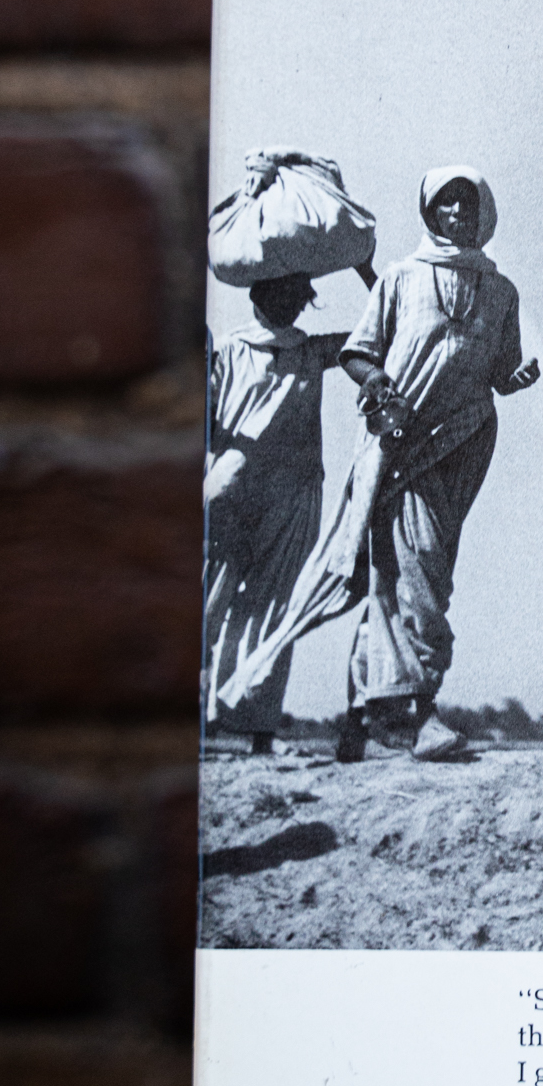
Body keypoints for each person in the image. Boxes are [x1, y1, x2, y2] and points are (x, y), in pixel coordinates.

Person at [331, 167, 539, 762]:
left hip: (466, 439)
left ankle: (360, 718)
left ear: (483, 213)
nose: (457, 214)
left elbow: (500, 370)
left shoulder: (502, 291)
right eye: (446, 204)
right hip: (404, 439)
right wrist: (379, 384)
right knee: (416, 569)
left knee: (414, 570)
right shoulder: (400, 277)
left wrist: (517, 379)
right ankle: (420, 713)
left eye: (466, 204)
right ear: (430, 213)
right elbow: (357, 354)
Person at [202, 269, 356, 753]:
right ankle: (216, 724)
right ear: (258, 297)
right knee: (212, 600)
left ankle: (257, 731)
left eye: (297, 296)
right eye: (281, 294)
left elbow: (382, 328)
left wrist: (366, 268)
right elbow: (205, 423)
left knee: (271, 608)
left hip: (289, 493)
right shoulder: (229, 349)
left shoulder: (312, 351)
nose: (289, 304)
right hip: (235, 488)